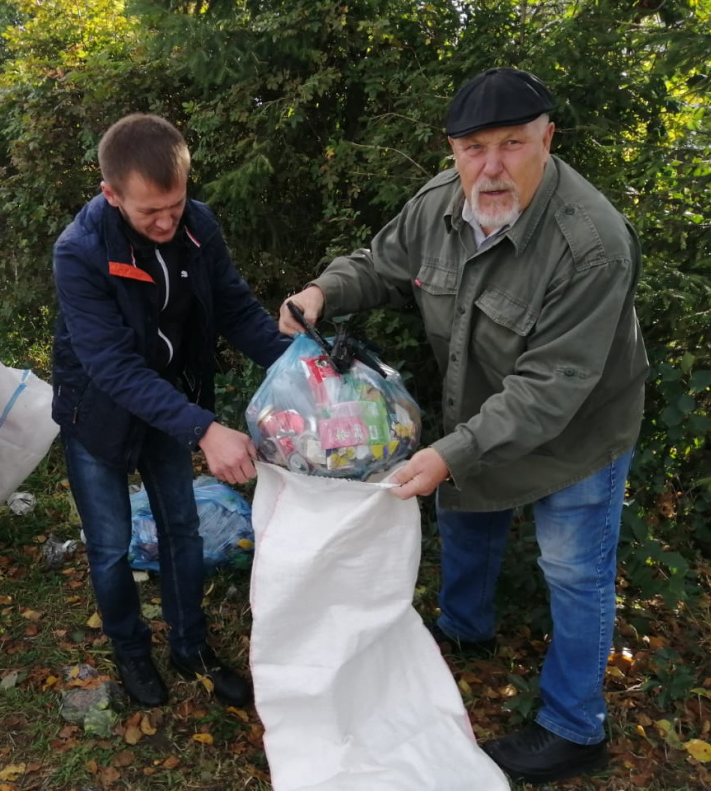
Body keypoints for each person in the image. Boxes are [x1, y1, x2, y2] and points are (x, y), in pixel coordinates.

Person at [280, 68, 648, 785]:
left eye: (513, 144)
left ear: (548, 139)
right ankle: (463, 631)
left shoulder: (591, 244)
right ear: (452, 150)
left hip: (579, 431)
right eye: (474, 147)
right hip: (478, 414)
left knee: (574, 570)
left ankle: (575, 726)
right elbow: (379, 265)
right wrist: (323, 290)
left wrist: (450, 451)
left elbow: (549, 390)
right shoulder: (440, 204)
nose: (492, 166)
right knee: (468, 513)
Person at [52, 114, 289, 708]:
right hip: (97, 412)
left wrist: (298, 366)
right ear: (111, 194)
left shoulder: (198, 228)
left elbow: (235, 308)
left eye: (175, 206)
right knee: (109, 545)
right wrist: (205, 428)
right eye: (148, 212)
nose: (165, 222)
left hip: (168, 401)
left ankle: (191, 647)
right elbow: (111, 367)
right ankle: (131, 652)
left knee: (181, 527)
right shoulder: (79, 252)